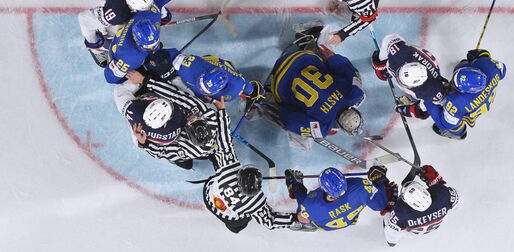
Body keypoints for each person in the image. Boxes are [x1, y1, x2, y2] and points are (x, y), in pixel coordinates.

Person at [256, 34, 366, 151]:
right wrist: (313, 130)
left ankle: (314, 44)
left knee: (342, 71)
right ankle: (263, 100)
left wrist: (323, 47)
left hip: (301, 58)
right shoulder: (322, 128)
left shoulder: (356, 92)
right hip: (278, 82)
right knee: (302, 139)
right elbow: (289, 120)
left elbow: (338, 62)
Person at [202, 100, 296, 233]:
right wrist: (296, 220)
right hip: (225, 210)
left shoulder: (228, 171)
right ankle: (234, 227)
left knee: (217, 155)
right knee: (238, 226)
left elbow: (224, 140)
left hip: (209, 194)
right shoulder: (255, 203)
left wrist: (221, 110)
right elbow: (270, 221)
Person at [78, 0, 203, 68]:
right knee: (113, 35)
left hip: (128, 8)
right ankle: (95, 50)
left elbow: (155, 2)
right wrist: (94, 43)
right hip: (116, 16)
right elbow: (84, 20)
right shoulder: (116, 14)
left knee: (164, 16)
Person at [114, 70, 225, 169]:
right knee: (184, 93)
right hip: (173, 131)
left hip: (173, 141)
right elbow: (175, 95)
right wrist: (144, 80)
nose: (193, 116)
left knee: (138, 142)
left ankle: (180, 160)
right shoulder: (204, 113)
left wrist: (144, 144)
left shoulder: (187, 149)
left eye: (191, 121)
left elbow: (162, 152)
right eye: (196, 118)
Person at [423, 49, 506, 140]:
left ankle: (459, 132)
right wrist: (478, 54)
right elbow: (502, 70)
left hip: (469, 106)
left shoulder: (458, 102)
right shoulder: (489, 66)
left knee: (445, 122)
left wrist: (426, 95)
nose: (451, 83)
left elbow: (445, 124)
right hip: (482, 98)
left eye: (455, 85)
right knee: (461, 65)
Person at [285, 166, 396, 231]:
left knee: (302, 212)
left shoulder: (312, 205)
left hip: (325, 224)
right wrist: (379, 178)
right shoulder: (360, 187)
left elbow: (301, 217)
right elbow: (381, 205)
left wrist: (297, 188)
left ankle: (294, 186)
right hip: (348, 220)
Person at [140, 48, 265, 103]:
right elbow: (171, 55)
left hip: (216, 72)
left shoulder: (234, 89)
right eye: (202, 86)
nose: (201, 88)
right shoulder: (190, 65)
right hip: (197, 65)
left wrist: (254, 92)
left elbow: (247, 86)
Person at [371, 33, 448, 119]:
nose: (398, 79)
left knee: (429, 105)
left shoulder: (431, 90)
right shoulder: (400, 52)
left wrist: (407, 109)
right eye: (399, 74)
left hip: (428, 87)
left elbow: (423, 110)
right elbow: (389, 39)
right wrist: (380, 63)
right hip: (407, 59)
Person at [383, 165, 459, 246]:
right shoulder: (442, 194)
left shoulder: (401, 212)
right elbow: (458, 202)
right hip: (434, 228)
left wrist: (389, 206)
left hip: (413, 235)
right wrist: (435, 180)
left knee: (389, 223)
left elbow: (391, 239)